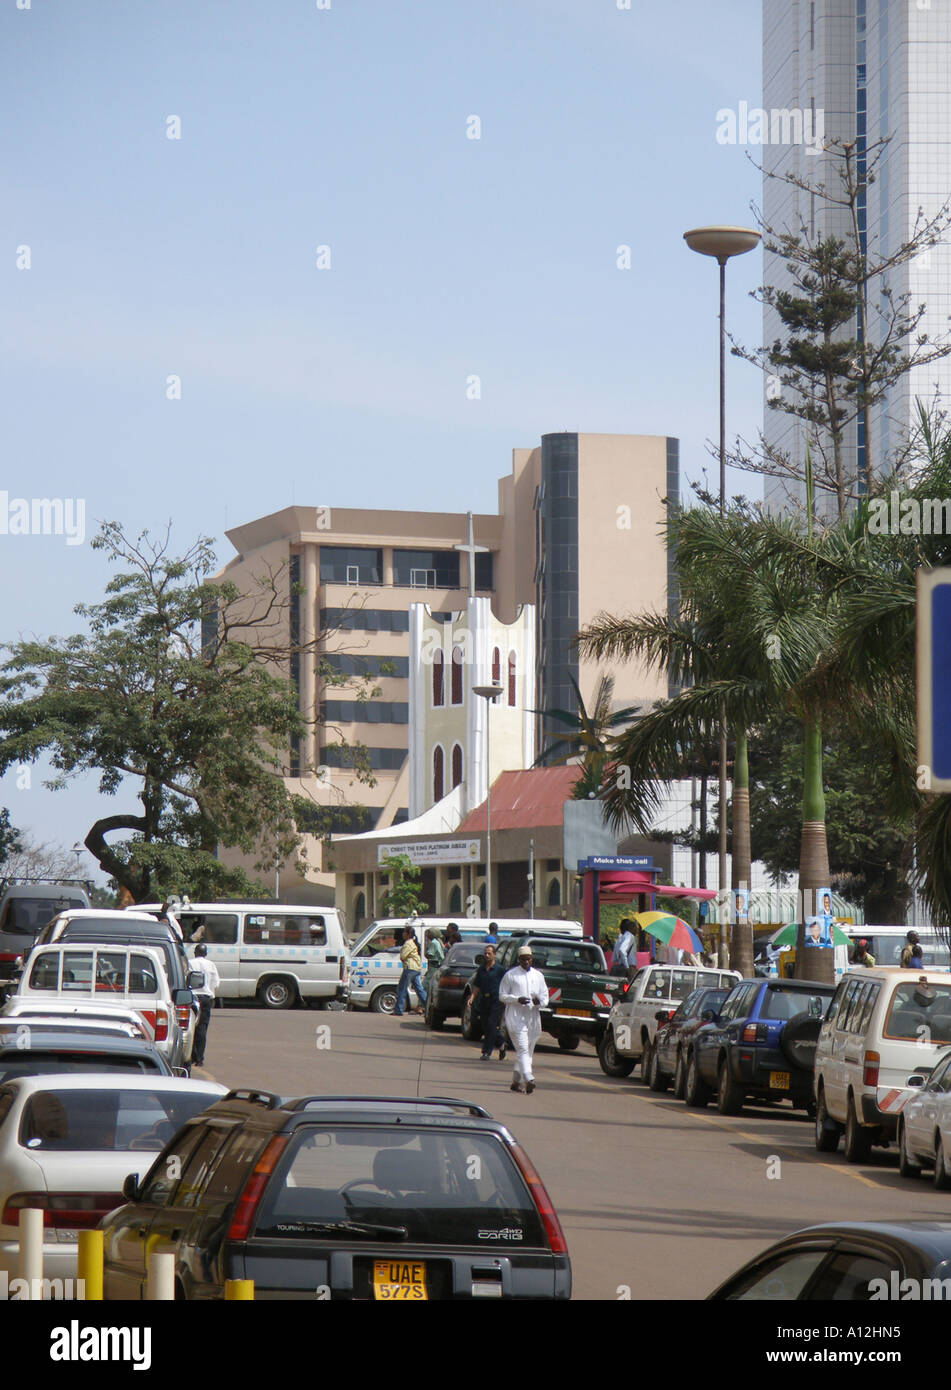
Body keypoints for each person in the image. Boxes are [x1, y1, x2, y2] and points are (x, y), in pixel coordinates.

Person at [499, 945, 549, 1094]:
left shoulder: (538, 976)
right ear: (518, 960)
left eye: (528, 959)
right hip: (515, 1017)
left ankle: (515, 1081)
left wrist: (539, 1001)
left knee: (527, 1051)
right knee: (522, 1048)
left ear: (531, 959)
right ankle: (528, 1078)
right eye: (523, 959)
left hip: (533, 1017)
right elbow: (502, 995)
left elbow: (545, 996)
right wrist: (516, 999)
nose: (526, 962)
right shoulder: (510, 975)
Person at [471, 944, 506, 1061]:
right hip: (484, 1000)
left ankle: (486, 1052)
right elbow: (477, 985)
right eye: (485, 953)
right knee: (486, 1025)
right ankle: (501, 1043)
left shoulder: (500, 970)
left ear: (494, 955)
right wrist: (472, 997)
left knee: (491, 1024)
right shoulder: (481, 969)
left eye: (489, 953)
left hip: (496, 1000)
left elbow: (506, 985)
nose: (486, 955)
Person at [189, 943, 219, 1068]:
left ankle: (191, 1056)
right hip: (206, 998)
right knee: (202, 1029)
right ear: (205, 954)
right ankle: (199, 1058)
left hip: (193, 998)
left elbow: (187, 979)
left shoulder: (190, 963)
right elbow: (215, 983)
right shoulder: (211, 964)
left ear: (195, 953)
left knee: (191, 1028)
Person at [395, 926, 427, 1016]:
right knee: (419, 989)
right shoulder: (413, 943)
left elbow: (403, 956)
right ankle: (428, 1007)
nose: (402, 934)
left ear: (408, 934)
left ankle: (398, 1010)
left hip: (410, 968)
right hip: (416, 969)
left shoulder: (408, 943)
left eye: (404, 932)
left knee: (402, 989)